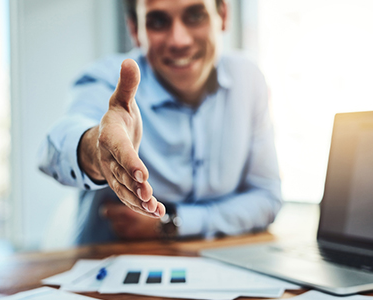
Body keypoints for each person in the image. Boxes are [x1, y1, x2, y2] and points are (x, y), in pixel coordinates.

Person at [38, 0, 282, 244]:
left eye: (195, 16)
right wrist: (95, 148)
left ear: (223, 15)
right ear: (135, 30)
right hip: (110, 268)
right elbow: (53, 149)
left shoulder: (248, 81)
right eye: (157, 22)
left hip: (219, 262)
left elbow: (266, 198)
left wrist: (173, 221)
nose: (179, 41)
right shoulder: (110, 79)